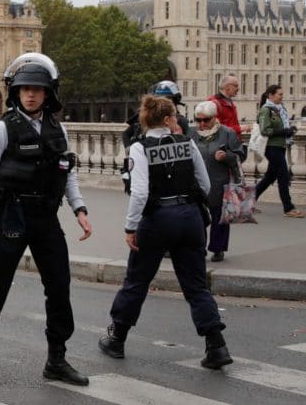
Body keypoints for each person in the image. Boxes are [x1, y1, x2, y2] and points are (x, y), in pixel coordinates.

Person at [0, 52, 92, 387]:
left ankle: (57, 359)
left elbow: (68, 172)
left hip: (46, 219)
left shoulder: (58, 129)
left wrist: (79, 209)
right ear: (16, 93)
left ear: (48, 92)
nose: (31, 94)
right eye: (25, 89)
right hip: (12, 216)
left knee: (59, 287)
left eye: (37, 88)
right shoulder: (3, 130)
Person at [98, 95, 233, 369]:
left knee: (137, 280)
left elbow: (139, 193)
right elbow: (204, 184)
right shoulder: (188, 143)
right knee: (196, 284)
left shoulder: (140, 148)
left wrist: (130, 226)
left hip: (158, 218)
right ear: (170, 118)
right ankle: (216, 344)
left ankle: (117, 338)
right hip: (190, 217)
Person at [191, 100, 245, 262]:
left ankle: (218, 248)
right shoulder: (191, 134)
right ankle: (198, 247)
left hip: (219, 182)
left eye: (206, 120)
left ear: (214, 118)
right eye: (198, 120)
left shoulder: (227, 133)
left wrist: (227, 156)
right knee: (197, 218)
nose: (202, 124)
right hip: (196, 184)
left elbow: (240, 155)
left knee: (219, 218)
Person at [254, 85, 303, 218]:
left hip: (280, 146)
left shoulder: (281, 109)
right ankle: (288, 208)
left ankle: (248, 202)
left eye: (282, 94)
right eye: (279, 94)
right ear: (270, 95)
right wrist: (283, 132)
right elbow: (265, 130)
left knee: (270, 176)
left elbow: (282, 125)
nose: (282, 96)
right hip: (271, 147)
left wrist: (289, 130)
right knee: (283, 176)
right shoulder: (266, 110)